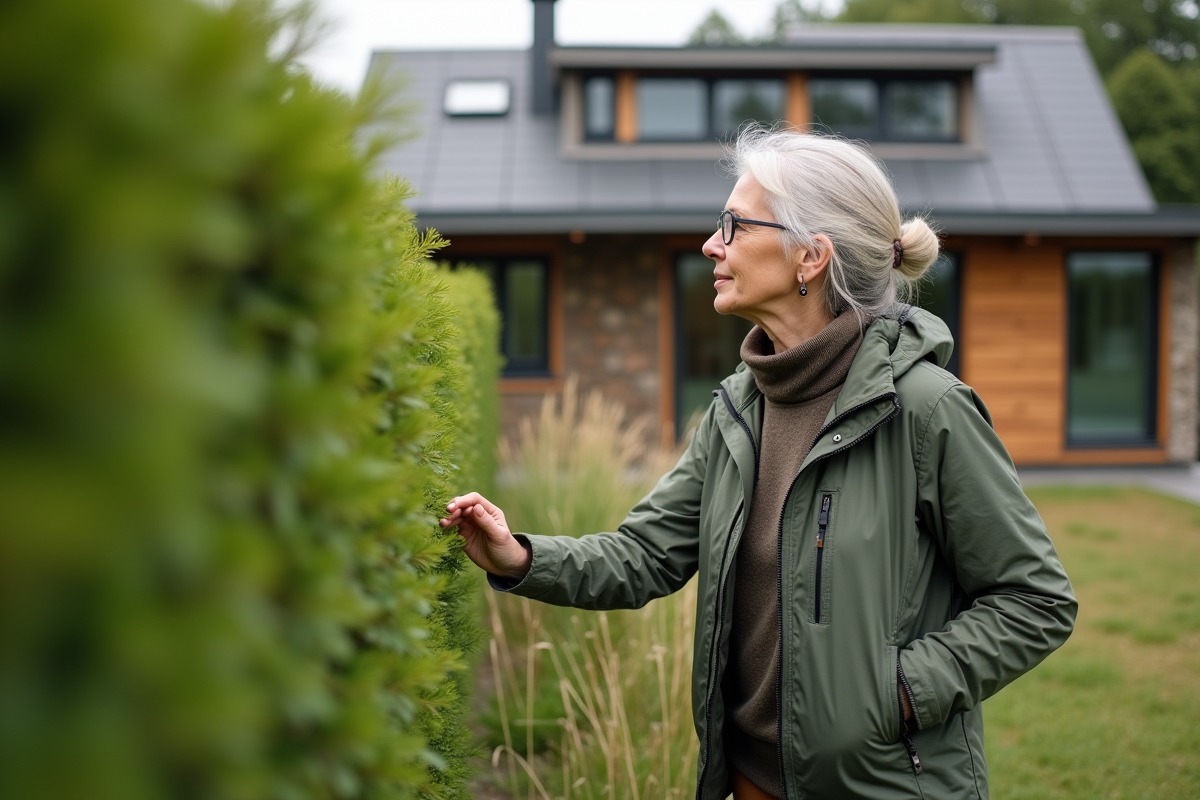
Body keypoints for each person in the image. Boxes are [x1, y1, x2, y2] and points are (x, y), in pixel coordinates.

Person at [439, 127, 1076, 800]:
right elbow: (644, 554)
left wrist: (895, 694)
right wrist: (519, 557)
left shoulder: (926, 409)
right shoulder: (738, 410)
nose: (710, 245)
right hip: (746, 781)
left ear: (811, 257)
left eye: (734, 226)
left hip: (885, 785)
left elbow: (1035, 600)